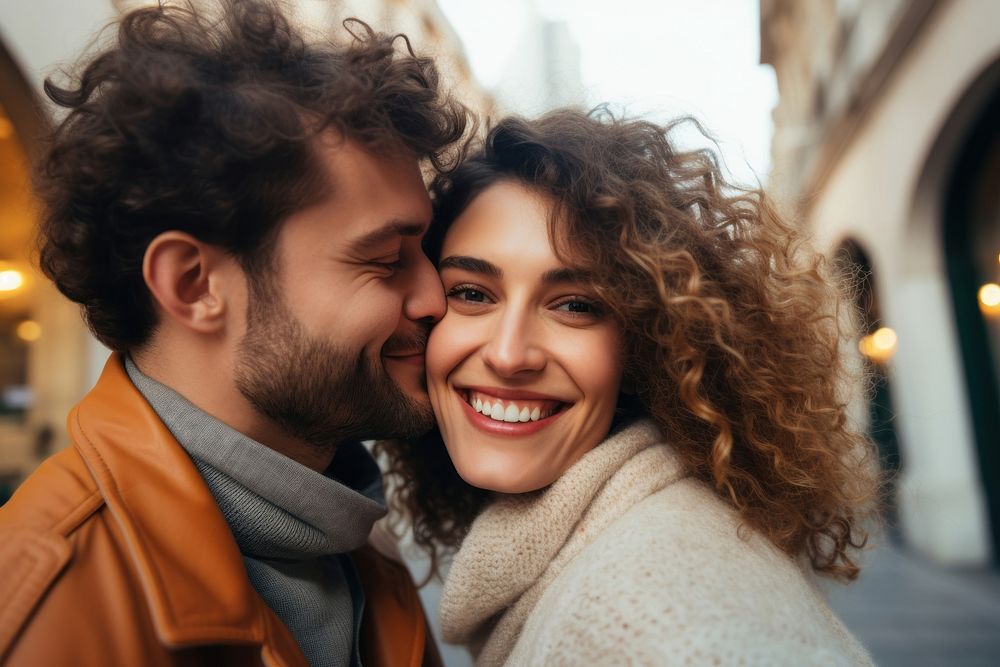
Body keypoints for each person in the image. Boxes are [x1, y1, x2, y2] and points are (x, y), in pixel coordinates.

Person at [0, 1, 468, 665]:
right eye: (387, 259)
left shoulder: (352, 544)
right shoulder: (38, 613)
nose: (434, 298)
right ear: (194, 284)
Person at [379, 110, 878, 665]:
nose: (507, 354)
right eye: (472, 293)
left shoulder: (657, 616)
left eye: (576, 305)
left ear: (650, 345)